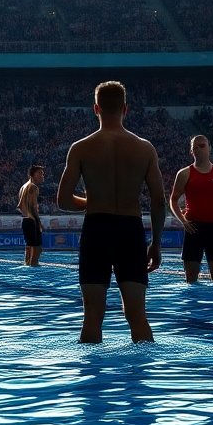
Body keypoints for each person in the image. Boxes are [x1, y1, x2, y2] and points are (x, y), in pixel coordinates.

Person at [56, 82, 165, 343]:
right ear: (125, 108)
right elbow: (159, 201)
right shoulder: (144, 148)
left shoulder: (81, 148)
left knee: (92, 317)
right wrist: (156, 243)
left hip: (96, 229)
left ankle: (91, 370)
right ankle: (144, 367)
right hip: (130, 230)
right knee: (137, 316)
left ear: (96, 109)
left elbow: (63, 200)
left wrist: (91, 202)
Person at [169, 135, 213, 283]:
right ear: (191, 151)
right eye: (195, 147)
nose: (198, 149)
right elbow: (173, 200)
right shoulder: (184, 173)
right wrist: (183, 221)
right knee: (190, 278)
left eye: (202, 145)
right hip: (193, 227)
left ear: (209, 148)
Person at [16, 165, 46, 267]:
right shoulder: (33, 187)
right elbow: (32, 207)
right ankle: (33, 267)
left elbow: (21, 206)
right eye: (40, 173)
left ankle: (27, 266)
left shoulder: (23, 187)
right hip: (32, 220)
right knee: (37, 248)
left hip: (25, 220)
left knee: (29, 246)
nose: (42, 176)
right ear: (33, 174)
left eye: (43, 174)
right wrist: (38, 223)